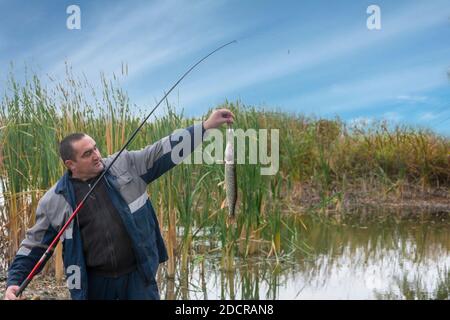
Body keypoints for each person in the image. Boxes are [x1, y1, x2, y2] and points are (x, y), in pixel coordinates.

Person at [4, 108, 234, 300]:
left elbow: (163, 149)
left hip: (137, 278)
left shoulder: (125, 165)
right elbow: (34, 245)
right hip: (95, 286)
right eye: (87, 154)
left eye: (95, 148)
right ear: (70, 164)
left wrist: (205, 127)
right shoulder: (54, 200)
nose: (96, 155)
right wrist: (14, 282)